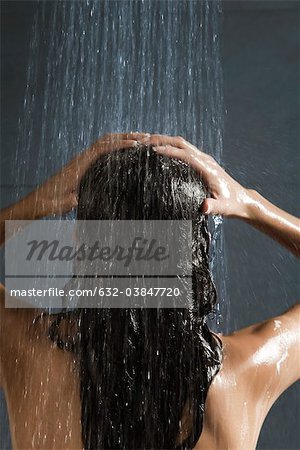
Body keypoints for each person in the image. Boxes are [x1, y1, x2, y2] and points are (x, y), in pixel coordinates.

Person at [0, 132, 299, 450]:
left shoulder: (29, 350)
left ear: (80, 244)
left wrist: (41, 201)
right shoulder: (242, 373)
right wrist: (250, 204)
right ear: (196, 249)